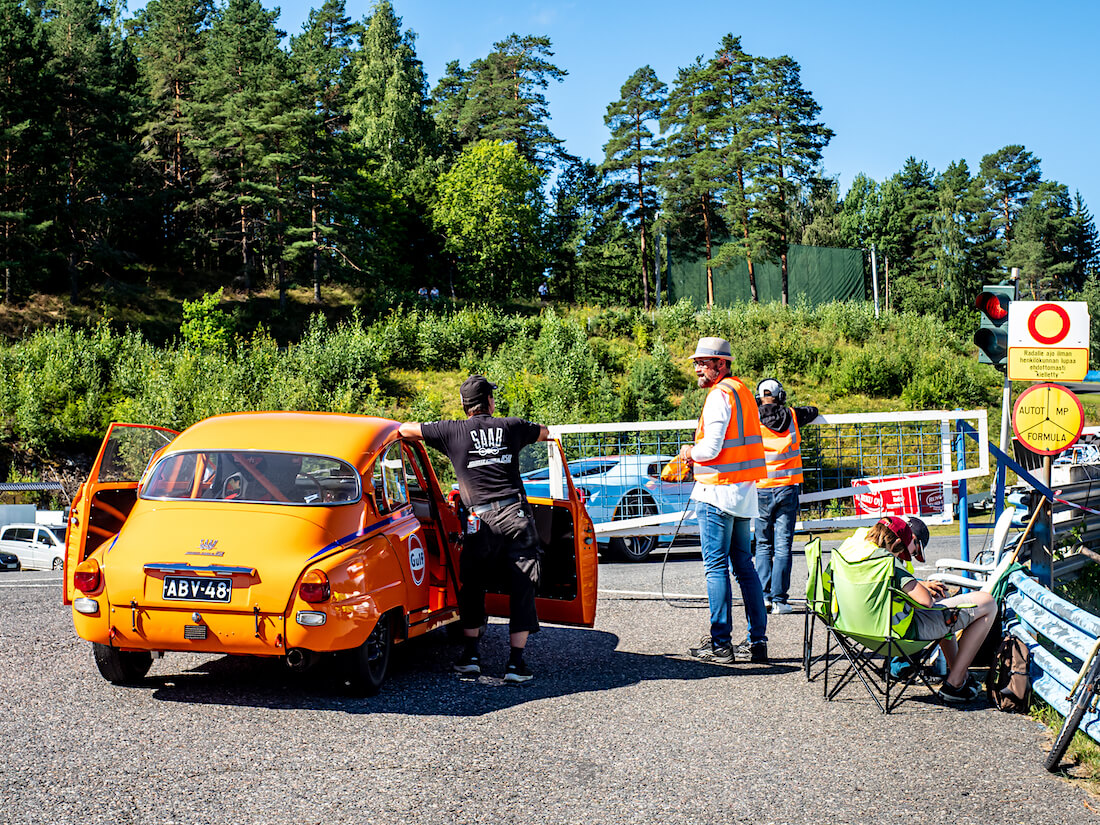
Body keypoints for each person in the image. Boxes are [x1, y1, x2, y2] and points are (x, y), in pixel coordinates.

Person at [399, 375, 549, 684]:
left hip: (478, 521)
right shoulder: (511, 426)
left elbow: (405, 430)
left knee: (474, 585)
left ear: (465, 406)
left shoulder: (451, 430)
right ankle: (515, 664)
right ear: (490, 403)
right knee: (523, 586)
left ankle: (470, 657)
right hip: (515, 515)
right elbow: (546, 433)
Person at [677, 337, 770, 664]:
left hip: (716, 492)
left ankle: (720, 645)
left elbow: (710, 449)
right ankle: (757, 642)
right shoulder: (743, 392)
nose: (698, 368)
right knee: (744, 567)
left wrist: (688, 452)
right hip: (743, 493)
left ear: (721, 364)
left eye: (703, 362)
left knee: (715, 568)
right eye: (696, 363)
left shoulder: (719, 396)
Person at [836, 514, 997, 702]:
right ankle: (954, 684)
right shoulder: (886, 561)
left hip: (856, 629)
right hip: (899, 634)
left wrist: (916, 584)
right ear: (897, 542)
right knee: (987, 603)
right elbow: (926, 601)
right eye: (903, 551)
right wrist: (924, 589)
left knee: (948, 617)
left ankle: (960, 679)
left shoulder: (852, 549)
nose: (904, 557)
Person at [753, 378, 818, 614]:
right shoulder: (792, 415)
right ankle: (780, 600)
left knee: (762, 544)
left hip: (760, 488)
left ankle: (763, 597)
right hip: (787, 487)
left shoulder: (751, 417)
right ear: (781, 396)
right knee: (782, 546)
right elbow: (813, 411)